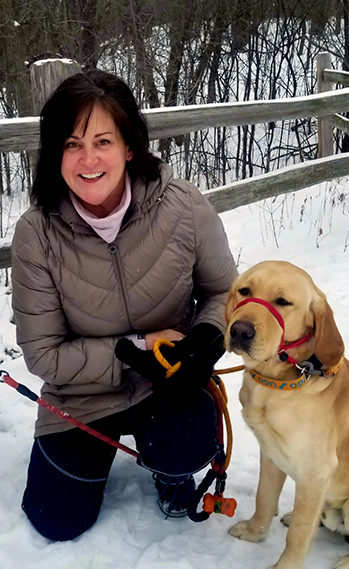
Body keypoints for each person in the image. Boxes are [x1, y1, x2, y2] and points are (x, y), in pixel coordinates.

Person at [11, 69, 238, 541]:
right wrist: (137, 345)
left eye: (102, 141)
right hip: (81, 396)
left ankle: (170, 466)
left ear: (129, 146)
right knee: (56, 521)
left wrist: (204, 338)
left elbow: (224, 293)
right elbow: (43, 355)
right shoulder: (36, 233)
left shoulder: (182, 205)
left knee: (184, 442)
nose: (88, 159)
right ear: (55, 153)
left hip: (169, 383)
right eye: (71, 144)